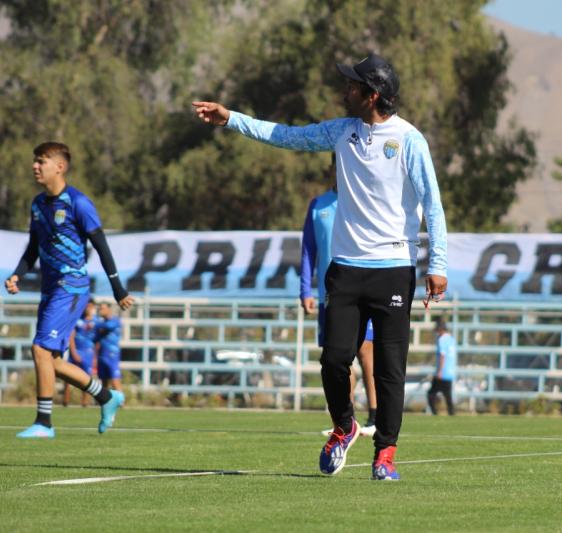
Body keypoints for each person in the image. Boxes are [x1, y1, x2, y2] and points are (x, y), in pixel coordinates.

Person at [193, 52, 448, 481]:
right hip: (346, 269)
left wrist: (436, 265)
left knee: (389, 371)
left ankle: (385, 453)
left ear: (373, 94)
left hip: (393, 269)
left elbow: (433, 207)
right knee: (333, 360)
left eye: (352, 85)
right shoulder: (340, 131)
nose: (344, 90)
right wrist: (231, 118)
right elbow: (286, 136)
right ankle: (345, 427)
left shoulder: (409, 140)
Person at [5, 141, 133, 438]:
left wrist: (118, 289)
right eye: (35, 161)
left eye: (42, 161)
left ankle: (44, 423)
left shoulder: (78, 203)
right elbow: (34, 247)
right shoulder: (38, 205)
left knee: (39, 349)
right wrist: (17, 274)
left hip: (72, 288)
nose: (35, 166)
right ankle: (106, 397)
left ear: (59, 167)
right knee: (52, 360)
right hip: (50, 289)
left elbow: (101, 245)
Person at [301, 163, 377, 438]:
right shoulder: (318, 205)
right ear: (333, 167)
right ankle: (347, 419)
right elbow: (309, 250)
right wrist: (305, 290)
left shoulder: (361, 199)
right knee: (337, 359)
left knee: (366, 352)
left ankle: (376, 415)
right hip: (328, 295)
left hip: (359, 290)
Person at [63, 299, 98, 407]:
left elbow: (98, 340)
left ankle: (85, 403)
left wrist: (95, 356)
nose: (88, 308)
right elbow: (71, 336)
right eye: (87, 306)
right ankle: (65, 402)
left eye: (91, 306)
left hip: (88, 353)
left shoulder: (96, 322)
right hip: (76, 351)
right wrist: (73, 352)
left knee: (87, 379)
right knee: (68, 378)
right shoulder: (77, 319)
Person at [427, 317, 457, 416]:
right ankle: (452, 413)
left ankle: (435, 413)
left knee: (431, 394)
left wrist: (439, 371)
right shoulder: (451, 339)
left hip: (442, 373)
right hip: (450, 372)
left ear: (440, 329)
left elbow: (442, 356)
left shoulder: (441, 340)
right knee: (448, 396)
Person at [95, 301, 123, 392]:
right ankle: (106, 403)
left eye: (102, 309)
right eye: (99, 309)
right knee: (104, 382)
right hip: (102, 355)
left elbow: (108, 326)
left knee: (115, 380)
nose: (100, 311)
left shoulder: (115, 321)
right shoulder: (101, 323)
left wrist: (95, 324)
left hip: (112, 355)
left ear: (109, 309)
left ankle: (121, 403)